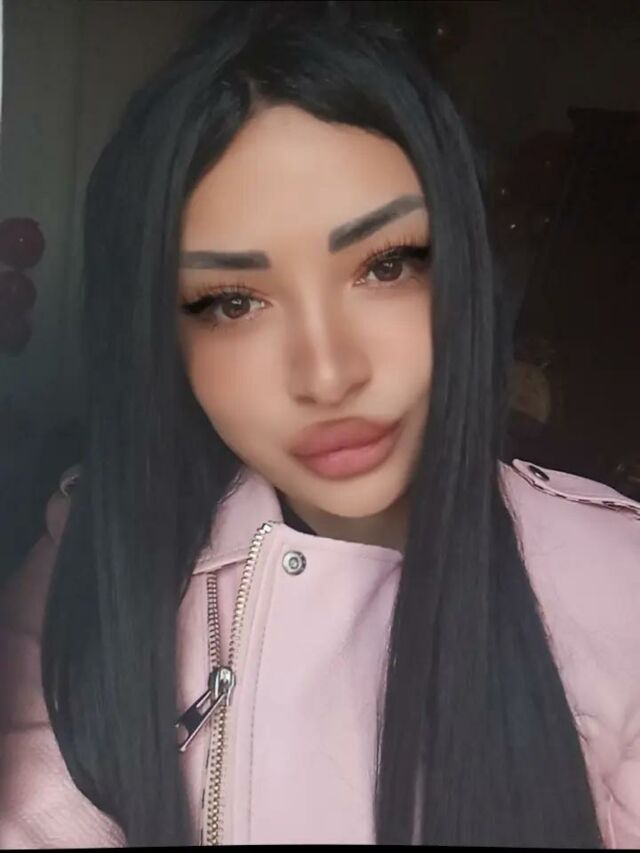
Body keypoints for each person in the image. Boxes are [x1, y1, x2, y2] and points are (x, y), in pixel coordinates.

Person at [1, 1, 639, 847]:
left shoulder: (619, 585)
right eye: (233, 302)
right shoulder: (91, 559)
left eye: (386, 265)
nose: (330, 373)